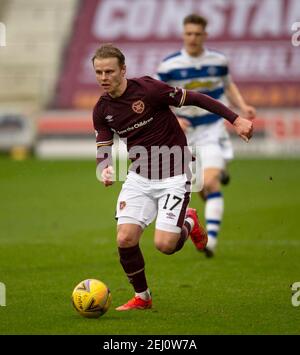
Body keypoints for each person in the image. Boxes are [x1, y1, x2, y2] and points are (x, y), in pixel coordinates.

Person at [92, 44, 253, 311]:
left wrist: (235, 120)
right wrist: (105, 167)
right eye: (98, 72)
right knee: (125, 239)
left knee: (165, 246)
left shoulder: (148, 90)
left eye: (109, 71)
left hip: (174, 173)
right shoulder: (101, 109)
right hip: (139, 176)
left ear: (123, 70)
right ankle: (142, 297)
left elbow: (198, 99)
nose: (104, 77)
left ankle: (189, 220)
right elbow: (103, 145)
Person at [156, 14, 256, 257]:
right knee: (198, 187)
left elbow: (228, 84)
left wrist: (242, 107)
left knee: (209, 183)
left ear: (205, 35)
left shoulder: (218, 61)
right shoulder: (169, 66)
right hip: (185, 133)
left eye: (197, 34)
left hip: (212, 128)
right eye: (189, 33)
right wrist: (174, 118)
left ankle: (210, 240)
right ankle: (219, 174)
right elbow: (156, 98)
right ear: (183, 34)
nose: (193, 38)